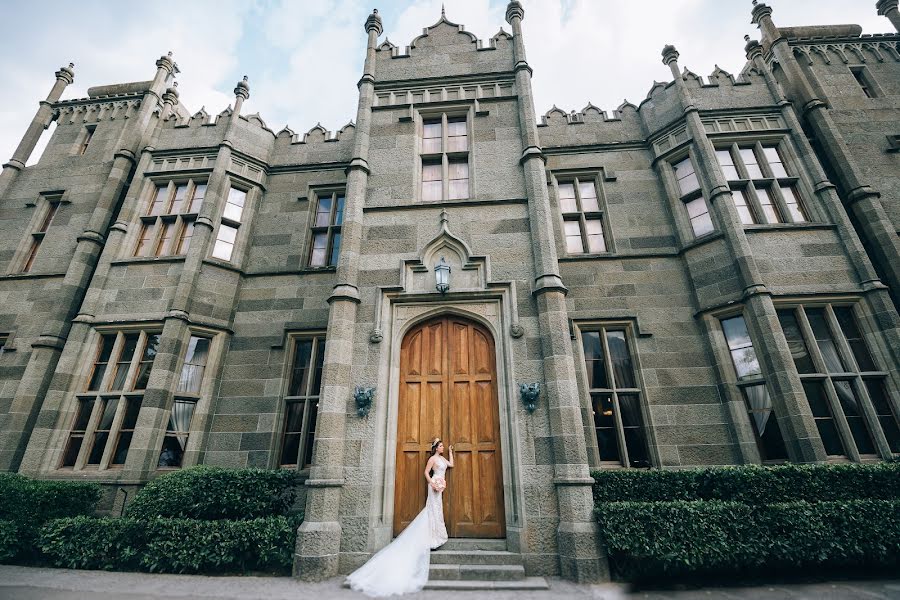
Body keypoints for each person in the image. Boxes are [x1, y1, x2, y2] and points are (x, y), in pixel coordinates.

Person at [346, 438, 454, 597]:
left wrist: (451, 452)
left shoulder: (443, 459)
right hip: (434, 487)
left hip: (440, 485)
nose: (443, 447)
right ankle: (431, 537)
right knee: (432, 510)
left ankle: (436, 535)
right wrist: (432, 482)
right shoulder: (432, 459)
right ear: (436, 448)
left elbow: (451, 465)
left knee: (437, 510)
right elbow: (426, 472)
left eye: (443, 446)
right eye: (441, 446)